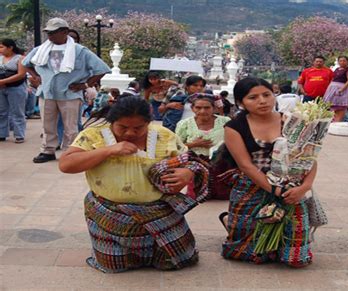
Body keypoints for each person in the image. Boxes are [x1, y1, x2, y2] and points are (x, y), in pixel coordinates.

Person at [58, 96, 202, 273]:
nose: (130, 133)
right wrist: (108, 150)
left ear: (148, 122)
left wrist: (186, 173)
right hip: (110, 212)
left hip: (159, 211)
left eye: (138, 128)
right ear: (112, 121)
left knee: (177, 259)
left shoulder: (164, 135)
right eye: (123, 127)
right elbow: (66, 164)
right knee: (114, 264)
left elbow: (192, 160)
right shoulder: (93, 135)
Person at [220, 77, 317, 267]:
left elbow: (310, 159)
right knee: (248, 254)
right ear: (241, 102)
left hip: (291, 188)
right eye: (253, 97)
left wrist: (304, 187)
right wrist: (275, 191)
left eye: (266, 95)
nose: (262, 101)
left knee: (297, 259)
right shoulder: (234, 127)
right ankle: (228, 220)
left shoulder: (292, 121)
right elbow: (246, 165)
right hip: (253, 185)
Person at [22, 18, 111, 163]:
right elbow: (25, 63)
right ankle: (48, 150)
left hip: (69, 93)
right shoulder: (41, 50)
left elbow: (102, 68)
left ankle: (71, 151)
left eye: (53, 32)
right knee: (47, 124)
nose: (50, 35)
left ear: (64, 32)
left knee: (71, 126)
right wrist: (36, 76)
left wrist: (85, 85)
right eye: (48, 32)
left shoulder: (80, 51)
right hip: (47, 92)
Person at [176, 95, 231, 199]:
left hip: (221, 162)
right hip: (196, 164)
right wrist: (194, 144)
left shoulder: (225, 121)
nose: (202, 111)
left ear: (214, 108)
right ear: (192, 108)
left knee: (223, 193)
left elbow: (235, 140)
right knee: (197, 195)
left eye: (207, 108)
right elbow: (176, 147)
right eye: (198, 108)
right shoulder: (184, 124)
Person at [0, 39, 27, 143]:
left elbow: (21, 74)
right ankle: (2, 133)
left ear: (10, 47)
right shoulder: (0, 58)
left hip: (16, 87)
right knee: (2, 112)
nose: (0, 49)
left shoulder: (20, 58)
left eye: (2, 47)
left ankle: (19, 134)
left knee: (17, 111)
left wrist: (3, 81)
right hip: (2, 88)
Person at [323, 56, 348, 122]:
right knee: (331, 108)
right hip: (332, 89)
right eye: (340, 61)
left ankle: (337, 123)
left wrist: (342, 89)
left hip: (340, 89)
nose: (342, 62)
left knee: (340, 107)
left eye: (344, 61)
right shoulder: (337, 69)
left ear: (347, 61)